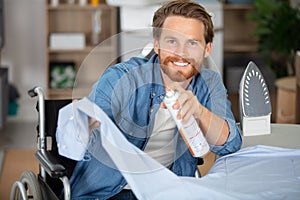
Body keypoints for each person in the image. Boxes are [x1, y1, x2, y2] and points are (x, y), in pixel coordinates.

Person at [66, 0, 242, 199]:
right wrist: (85, 124)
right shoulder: (122, 77)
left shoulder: (210, 83)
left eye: (192, 43)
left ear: (207, 48)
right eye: (172, 41)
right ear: (157, 44)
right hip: (109, 193)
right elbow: (91, 119)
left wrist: (199, 111)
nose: (181, 53)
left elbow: (231, 143)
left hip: (167, 192)